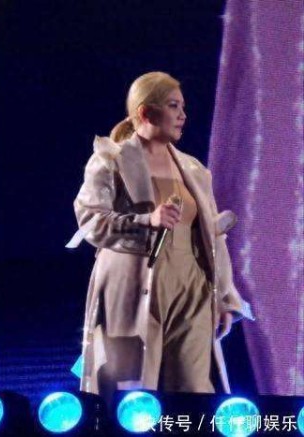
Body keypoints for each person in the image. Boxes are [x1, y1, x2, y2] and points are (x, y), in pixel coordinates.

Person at [67, 72, 253, 408]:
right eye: (173, 106)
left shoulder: (193, 169)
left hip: (191, 289)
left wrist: (225, 296)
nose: (183, 115)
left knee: (193, 389)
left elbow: (213, 236)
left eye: (182, 106)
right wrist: (146, 222)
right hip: (129, 288)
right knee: (130, 391)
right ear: (145, 112)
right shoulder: (111, 159)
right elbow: (90, 220)